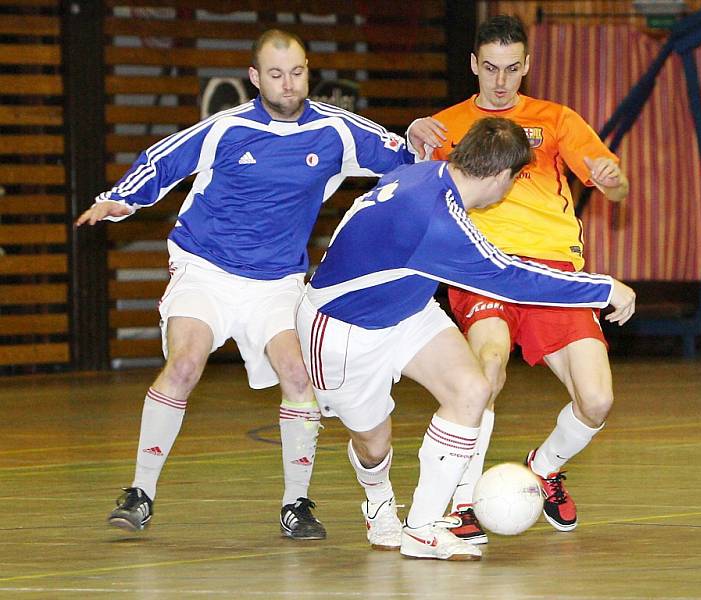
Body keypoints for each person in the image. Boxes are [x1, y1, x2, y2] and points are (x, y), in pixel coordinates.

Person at [75, 29, 438, 539]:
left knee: (298, 372)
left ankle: (297, 504)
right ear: (255, 78)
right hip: (206, 269)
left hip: (277, 281)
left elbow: (406, 156)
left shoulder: (336, 131)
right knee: (184, 363)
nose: (288, 85)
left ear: (308, 71)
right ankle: (140, 492)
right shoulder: (227, 128)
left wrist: (426, 142)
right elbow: (164, 158)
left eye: (297, 73)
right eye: (275, 74)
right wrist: (121, 199)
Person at [295, 117, 636, 561]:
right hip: (342, 331)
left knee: (473, 388)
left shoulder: (427, 174)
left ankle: (422, 528)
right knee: (374, 446)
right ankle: (377, 497)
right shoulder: (437, 222)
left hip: (408, 309)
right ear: (500, 177)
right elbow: (512, 279)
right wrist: (604, 288)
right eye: (515, 179)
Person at [410, 14, 631, 543]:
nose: (501, 81)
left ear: (527, 66)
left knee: (597, 400)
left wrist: (612, 181)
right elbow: (410, 186)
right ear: (473, 66)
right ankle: (462, 503)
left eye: (512, 69)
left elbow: (616, 189)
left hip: (553, 273)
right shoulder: (447, 126)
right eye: (490, 69)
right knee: (486, 372)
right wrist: (413, 137)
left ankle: (546, 467)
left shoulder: (555, 120)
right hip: (483, 268)